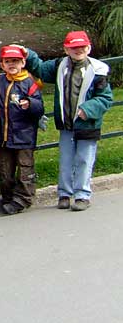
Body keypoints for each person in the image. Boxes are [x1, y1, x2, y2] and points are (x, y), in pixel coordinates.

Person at [21, 31, 113, 211]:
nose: (78, 50)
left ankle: (82, 195)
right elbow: (39, 69)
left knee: (84, 159)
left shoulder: (98, 70)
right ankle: (64, 193)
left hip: (88, 124)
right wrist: (27, 53)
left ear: (88, 48)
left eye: (82, 47)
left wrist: (88, 109)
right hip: (67, 123)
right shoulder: (59, 65)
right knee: (66, 159)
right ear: (66, 49)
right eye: (74, 48)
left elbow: (105, 97)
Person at [0, 46, 45, 215]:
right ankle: (7, 197)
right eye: (8, 61)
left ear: (23, 62)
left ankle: (22, 199)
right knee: (4, 170)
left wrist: (30, 104)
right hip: (5, 136)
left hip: (24, 135)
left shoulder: (30, 83)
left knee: (25, 169)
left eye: (15, 61)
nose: (12, 64)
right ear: (2, 64)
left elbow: (40, 107)